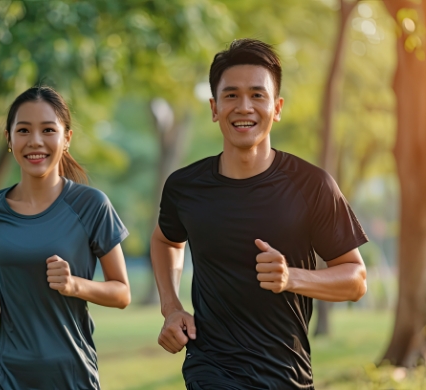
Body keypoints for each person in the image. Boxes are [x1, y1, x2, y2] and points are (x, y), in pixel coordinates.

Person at [151, 39, 368, 389]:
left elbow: (356, 279)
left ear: (277, 107)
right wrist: (171, 307)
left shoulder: (312, 185)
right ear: (214, 107)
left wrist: (291, 278)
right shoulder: (185, 187)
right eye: (231, 95)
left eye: (257, 95)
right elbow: (165, 240)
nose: (244, 107)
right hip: (210, 368)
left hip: (286, 374)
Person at [0, 86, 131, 390]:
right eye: (23, 130)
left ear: (66, 138)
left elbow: (122, 293)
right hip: (3, 375)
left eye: (48, 130)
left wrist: (74, 285)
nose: (35, 141)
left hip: (69, 375)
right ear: (9, 139)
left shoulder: (91, 206)